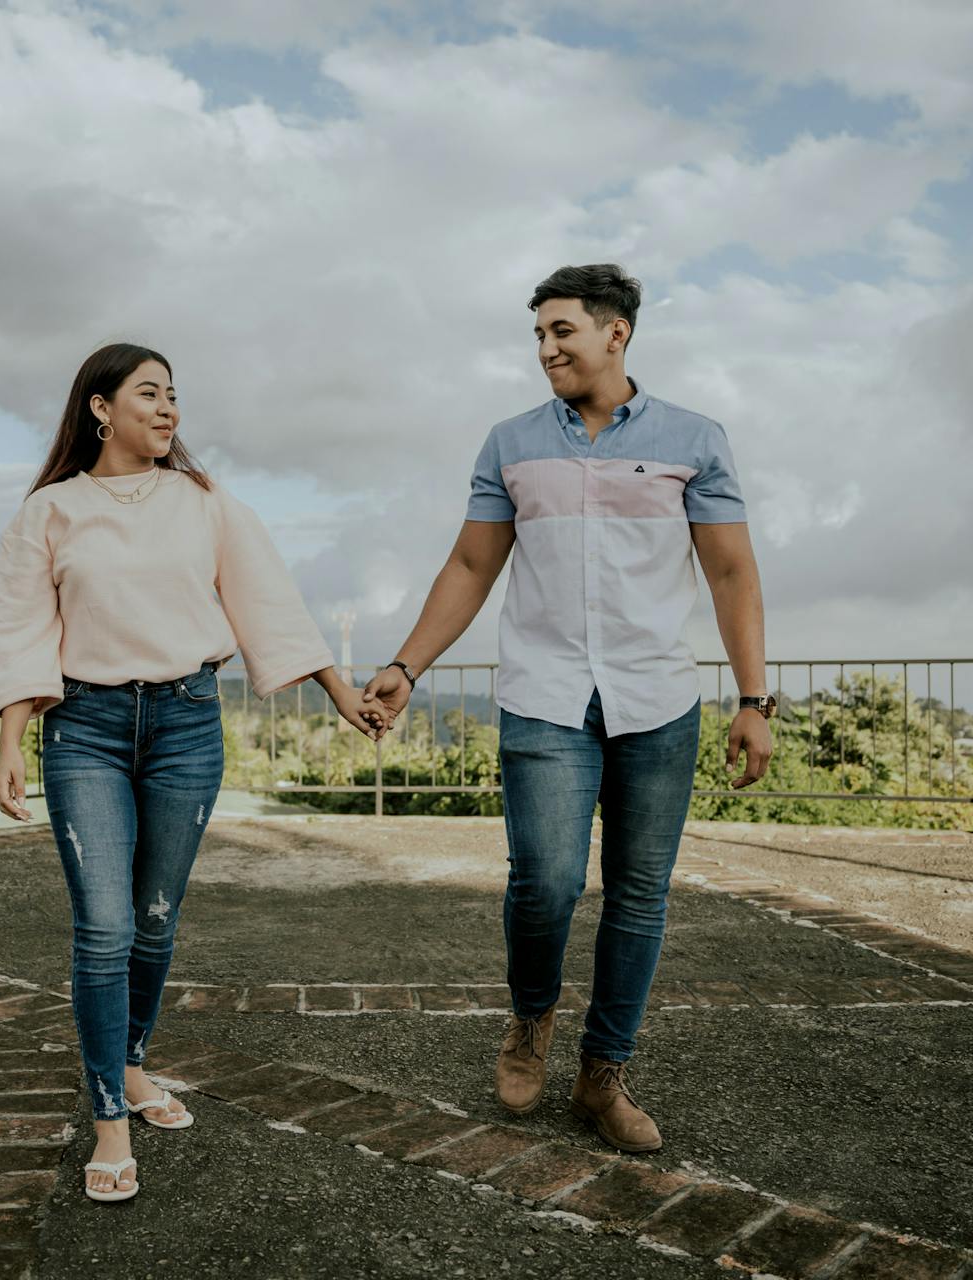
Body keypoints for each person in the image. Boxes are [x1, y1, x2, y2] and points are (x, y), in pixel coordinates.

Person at [361, 264, 773, 1153]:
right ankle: (531, 1021)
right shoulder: (510, 443)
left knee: (638, 894)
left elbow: (732, 571)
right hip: (545, 696)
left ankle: (603, 1071)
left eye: (562, 332)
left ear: (614, 332)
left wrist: (753, 698)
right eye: (538, 335)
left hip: (658, 698)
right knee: (545, 882)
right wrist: (408, 663)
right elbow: (471, 566)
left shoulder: (694, 439)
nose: (546, 349)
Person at [0, 342, 383, 1202]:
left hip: (186, 724)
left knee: (155, 920)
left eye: (174, 397)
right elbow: (23, 633)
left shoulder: (206, 503)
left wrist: (339, 691)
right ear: (100, 407)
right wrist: (11, 740)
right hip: (83, 729)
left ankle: (130, 1061)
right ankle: (108, 1121)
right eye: (150, 394)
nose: (168, 410)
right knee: (104, 926)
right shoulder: (48, 513)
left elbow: (267, 600)